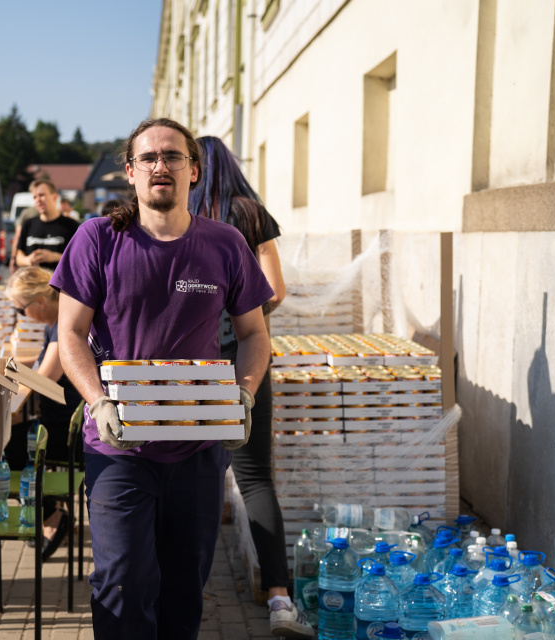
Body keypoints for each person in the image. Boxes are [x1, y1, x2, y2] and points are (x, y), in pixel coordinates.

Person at [51, 117, 273, 638]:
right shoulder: (98, 239)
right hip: (118, 446)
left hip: (196, 449)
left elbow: (253, 335)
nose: (160, 165)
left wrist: (244, 394)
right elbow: (69, 335)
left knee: (183, 589)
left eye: (172, 156)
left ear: (194, 170)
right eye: (148, 157)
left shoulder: (226, 244)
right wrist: (97, 400)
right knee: (122, 582)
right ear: (130, 173)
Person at [189, 136, 308, 638]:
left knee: (193, 475)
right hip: (245, 358)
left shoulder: (184, 214)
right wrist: (245, 319)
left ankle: (188, 592)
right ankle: (280, 600)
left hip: (190, 362)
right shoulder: (250, 213)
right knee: (256, 479)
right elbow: (275, 289)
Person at [4, 265, 84, 560]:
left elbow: (44, 378)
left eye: (21, 308)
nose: (22, 316)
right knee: (9, 441)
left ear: (39, 301)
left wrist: (7, 375)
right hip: (60, 420)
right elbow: (40, 366)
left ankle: (52, 513)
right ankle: (52, 509)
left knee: (3, 450)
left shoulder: (63, 323)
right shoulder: (57, 321)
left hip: (67, 430)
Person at [14, 179, 80, 272]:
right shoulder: (28, 224)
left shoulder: (71, 225)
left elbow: (80, 259)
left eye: (42, 195)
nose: (38, 200)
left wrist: (55, 257)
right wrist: (28, 260)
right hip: (33, 283)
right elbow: (19, 257)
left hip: (59, 284)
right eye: (34, 197)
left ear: (55, 197)